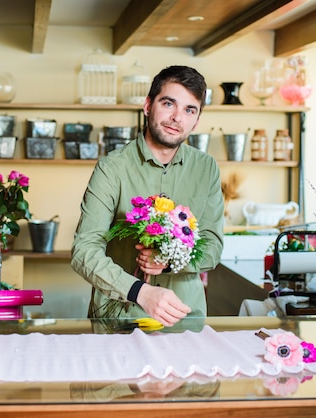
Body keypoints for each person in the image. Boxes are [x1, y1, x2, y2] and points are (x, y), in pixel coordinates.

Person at [71, 65, 224, 327]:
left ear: (196, 120)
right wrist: (139, 291)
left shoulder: (206, 168)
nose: (177, 117)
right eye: (168, 104)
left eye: (189, 110)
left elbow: (212, 246)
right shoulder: (112, 167)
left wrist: (168, 261)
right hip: (120, 320)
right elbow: (84, 251)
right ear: (148, 106)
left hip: (184, 321)